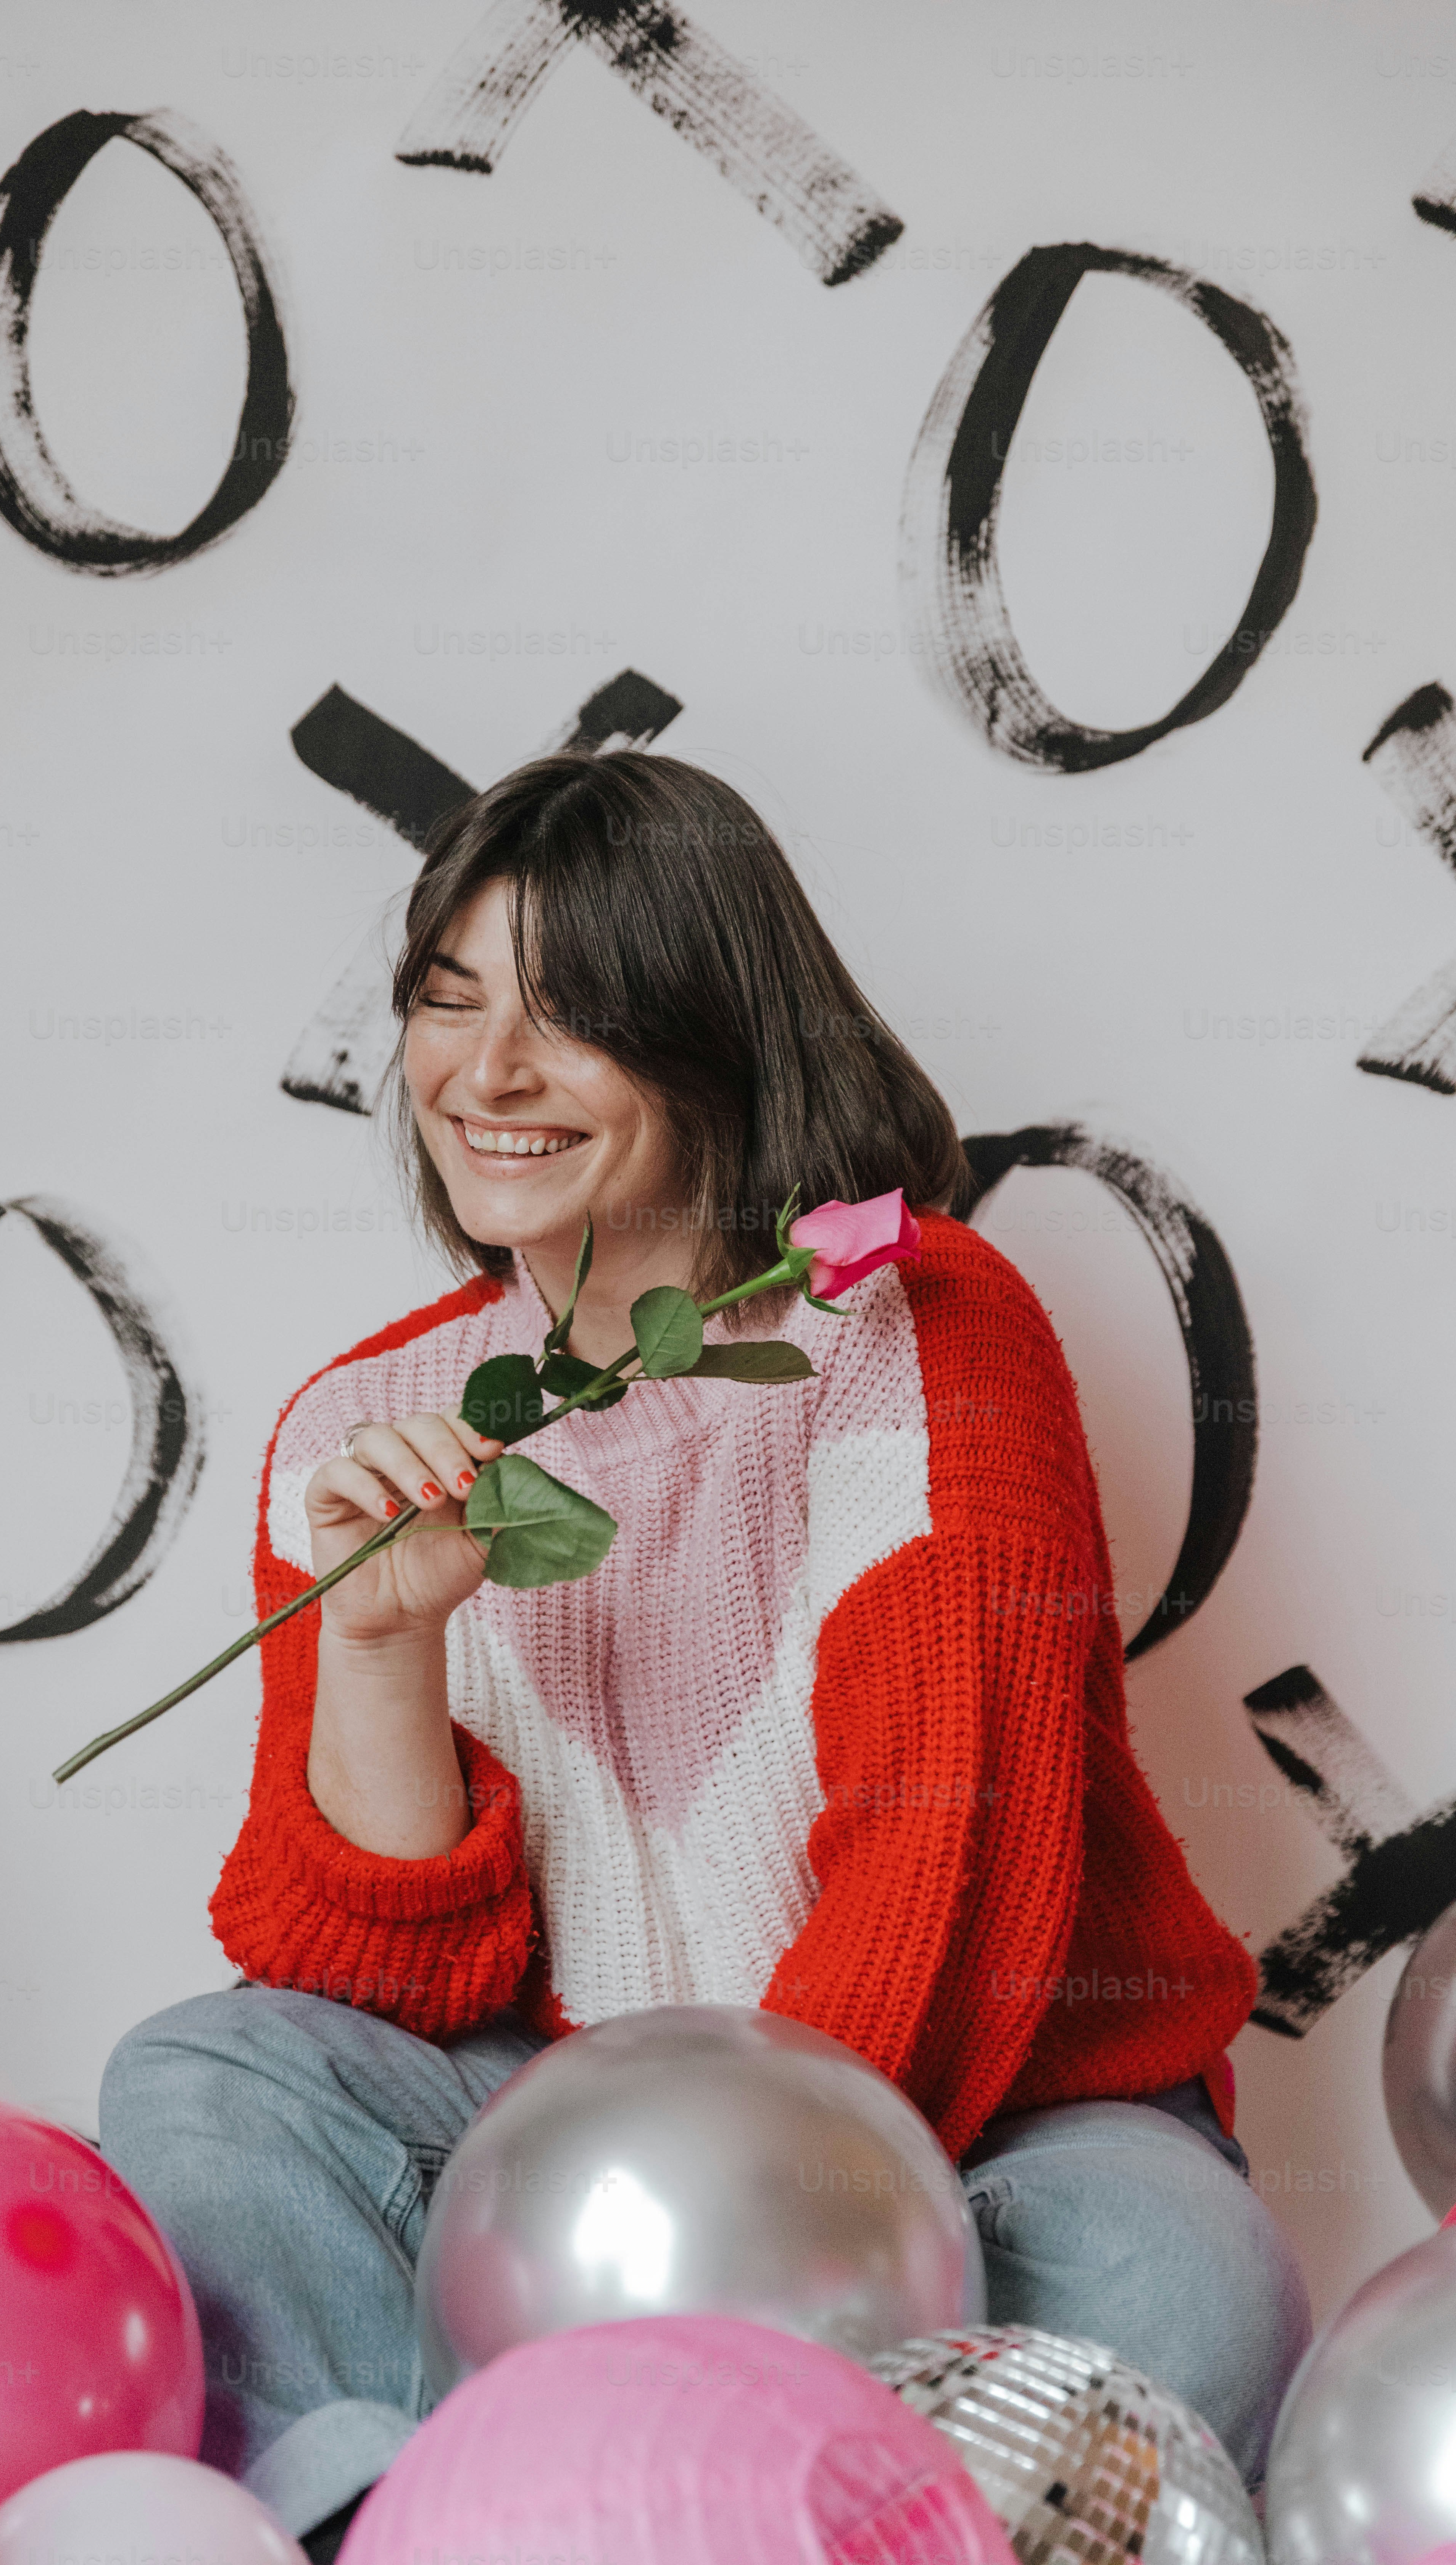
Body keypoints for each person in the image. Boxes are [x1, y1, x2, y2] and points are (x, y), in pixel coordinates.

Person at [99, 750, 1311, 2555]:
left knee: (1179, 2272)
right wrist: (377, 1646)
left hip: (982, 2110)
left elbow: (944, 1881)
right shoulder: (365, 1418)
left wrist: (707, 2273)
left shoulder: (921, 1331)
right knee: (201, 2074)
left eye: (569, 1019)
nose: (483, 1076)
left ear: (714, 1035)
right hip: (559, 2114)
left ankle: (708, 2494)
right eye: (448, 1002)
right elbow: (371, 1990)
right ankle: (409, 2524)